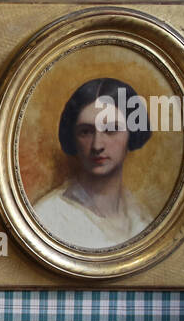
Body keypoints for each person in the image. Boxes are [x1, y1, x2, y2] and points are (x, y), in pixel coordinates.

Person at [32, 77, 154, 249]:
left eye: (111, 130)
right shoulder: (48, 217)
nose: (97, 145)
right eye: (86, 132)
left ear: (132, 134)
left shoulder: (142, 218)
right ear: (73, 137)